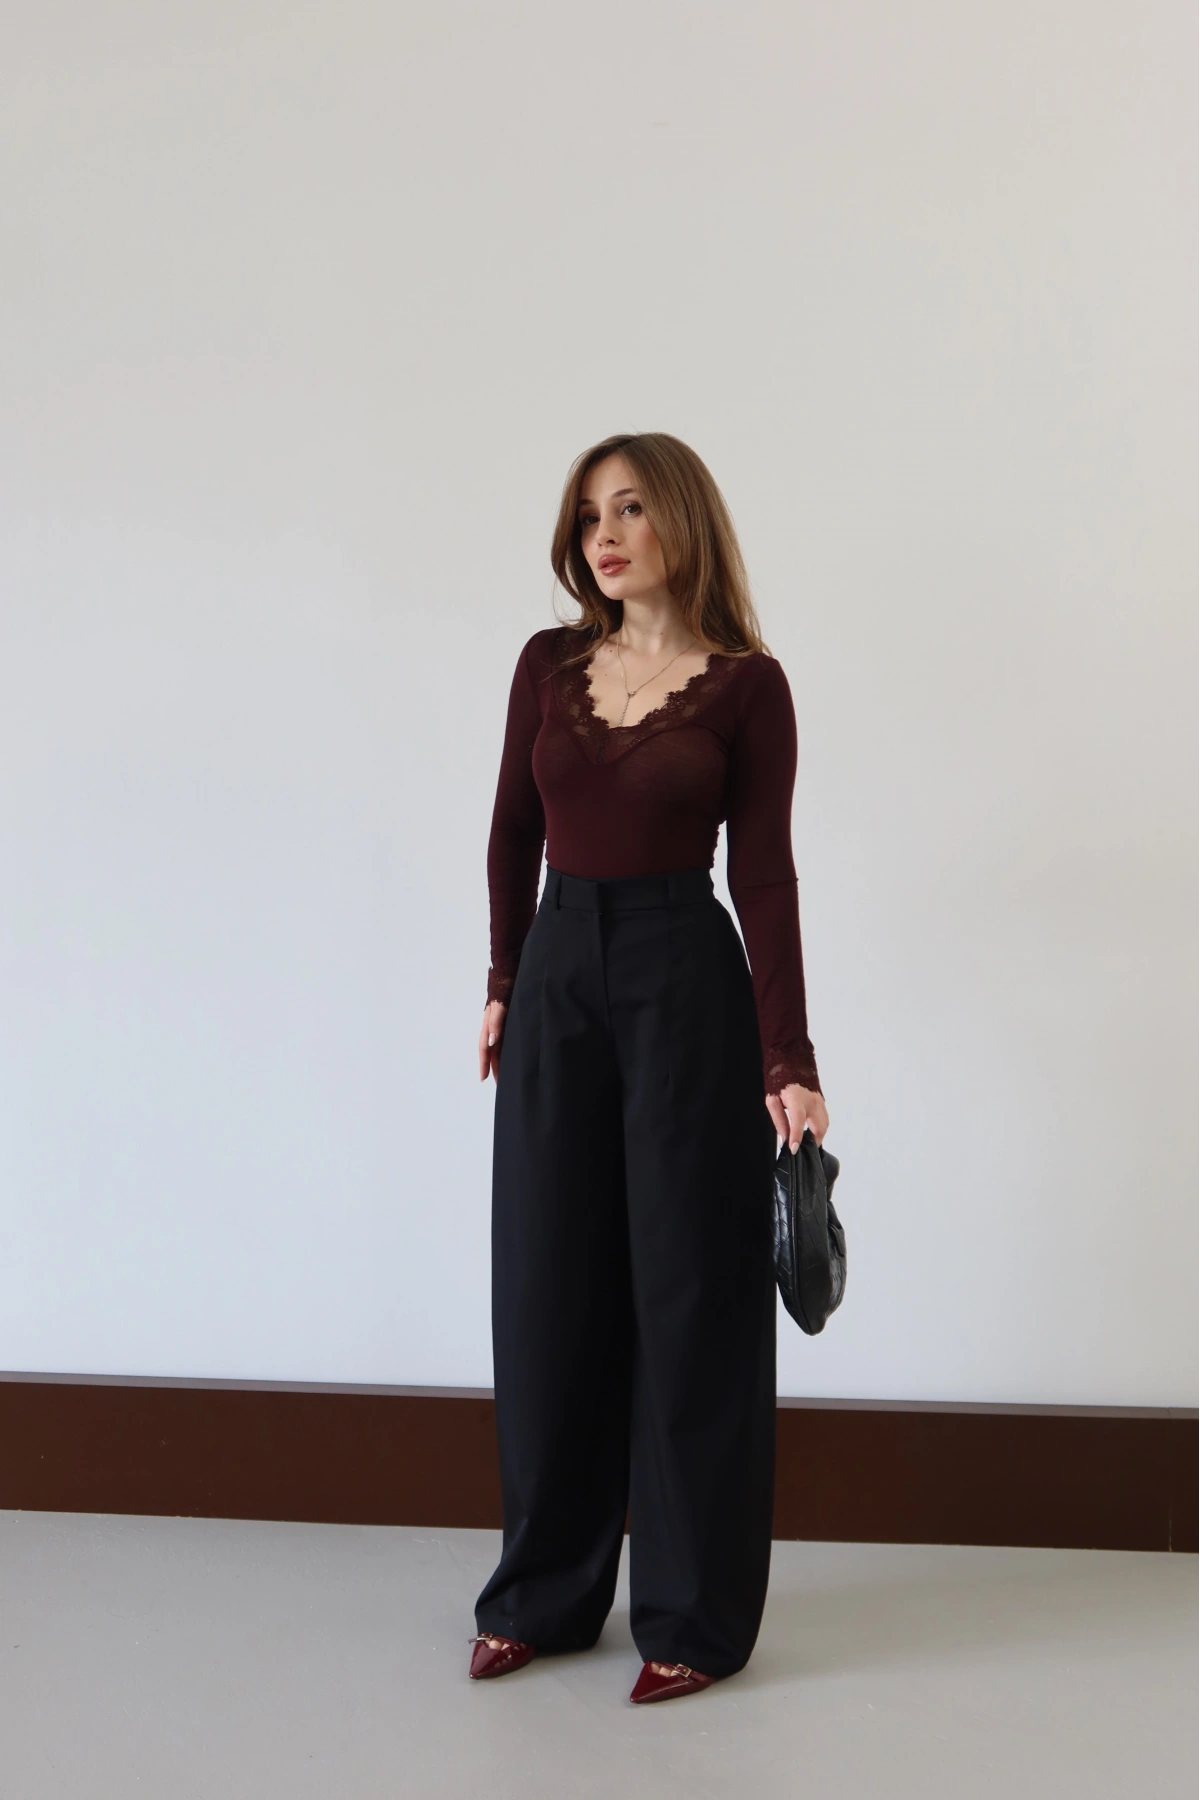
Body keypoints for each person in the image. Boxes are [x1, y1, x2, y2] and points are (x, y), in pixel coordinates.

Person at [470, 432, 828, 1705]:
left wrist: (789, 1056)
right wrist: (505, 979)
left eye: (628, 509)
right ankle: (542, 1594)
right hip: (561, 976)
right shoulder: (547, 665)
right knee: (547, 1282)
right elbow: (512, 831)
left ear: (682, 518)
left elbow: (766, 876)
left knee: (692, 1291)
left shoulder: (748, 687)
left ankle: (693, 1614)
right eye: (587, 517)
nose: (605, 537)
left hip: (687, 978)